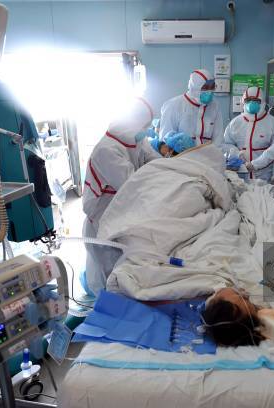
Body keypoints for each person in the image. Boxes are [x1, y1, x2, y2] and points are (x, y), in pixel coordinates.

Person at [82, 97, 161, 295]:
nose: (147, 129)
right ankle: (107, 309)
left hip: (121, 213)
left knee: (121, 265)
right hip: (102, 218)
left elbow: (153, 160)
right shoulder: (107, 149)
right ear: (133, 122)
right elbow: (132, 184)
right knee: (110, 274)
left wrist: (168, 169)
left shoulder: (134, 139)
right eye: (145, 125)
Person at [201, 287, 274, 347]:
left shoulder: (216, 308)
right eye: (243, 299)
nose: (244, 295)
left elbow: (223, 293)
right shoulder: (270, 322)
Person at [222, 86, 274, 182]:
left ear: (262, 102)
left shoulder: (272, 123)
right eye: (248, 100)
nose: (251, 103)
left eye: (256, 100)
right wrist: (236, 153)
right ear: (243, 102)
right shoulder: (235, 122)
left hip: (264, 176)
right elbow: (226, 143)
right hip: (240, 176)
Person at [159, 69, 224, 146]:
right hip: (180, 156)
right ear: (195, 88)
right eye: (205, 88)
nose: (209, 91)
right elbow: (165, 140)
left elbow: (218, 138)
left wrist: (217, 155)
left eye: (212, 87)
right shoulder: (174, 105)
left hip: (207, 156)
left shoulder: (214, 106)